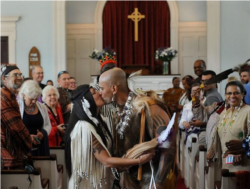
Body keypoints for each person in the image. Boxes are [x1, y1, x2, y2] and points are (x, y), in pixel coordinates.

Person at [99, 68, 177, 189]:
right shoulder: (118, 109)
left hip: (150, 179)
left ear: (114, 89)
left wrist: (158, 182)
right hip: (130, 180)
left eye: (102, 88)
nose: (100, 93)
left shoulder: (148, 106)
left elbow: (168, 145)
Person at [64, 85, 154, 188]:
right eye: (94, 93)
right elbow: (106, 161)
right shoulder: (84, 127)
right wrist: (139, 160)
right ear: (84, 101)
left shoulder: (99, 121)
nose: (99, 93)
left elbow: (108, 154)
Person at [0, 65, 32, 169]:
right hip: (6, 153)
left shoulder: (11, 96)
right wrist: (29, 140)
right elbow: (15, 126)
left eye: (20, 75)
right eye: (15, 75)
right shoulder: (2, 98)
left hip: (13, 151)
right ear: (4, 78)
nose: (19, 77)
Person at [218, 81, 250, 172]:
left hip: (243, 167)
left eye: (236, 93)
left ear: (243, 94)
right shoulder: (224, 113)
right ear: (225, 95)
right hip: (225, 166)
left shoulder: (248, 111)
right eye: (229, 93)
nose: (232, 96)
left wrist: (243, 146)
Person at [18, 80, 51, 156]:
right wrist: (28, 137)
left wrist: (42, 133)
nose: (34, 101)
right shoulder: (17, 107)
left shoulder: (42, 107)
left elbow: (47, 125)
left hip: (40, 145)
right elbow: (15, 128)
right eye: (31, 99)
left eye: (36, 99)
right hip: (23, 146)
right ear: (23, 95)